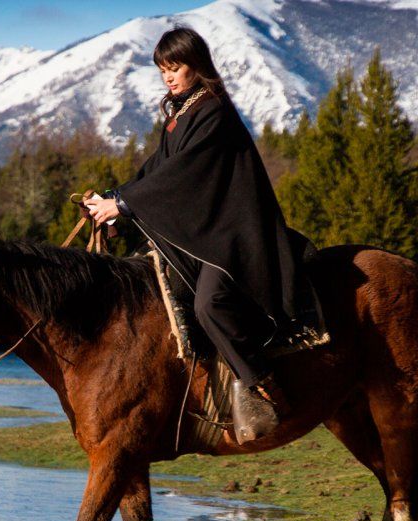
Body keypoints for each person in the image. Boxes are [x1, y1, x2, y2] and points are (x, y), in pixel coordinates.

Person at [84, 26, 319, 443]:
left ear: (198, 66)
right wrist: (113, 198)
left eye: (175, 68)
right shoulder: (180, 113)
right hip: (204, 233)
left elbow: (184, 176)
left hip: (232, 237)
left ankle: (264, 387)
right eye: (162, 70)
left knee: (210, 305)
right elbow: (157, 169)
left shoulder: (213, 111)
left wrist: (123, 205)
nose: (168, 77)